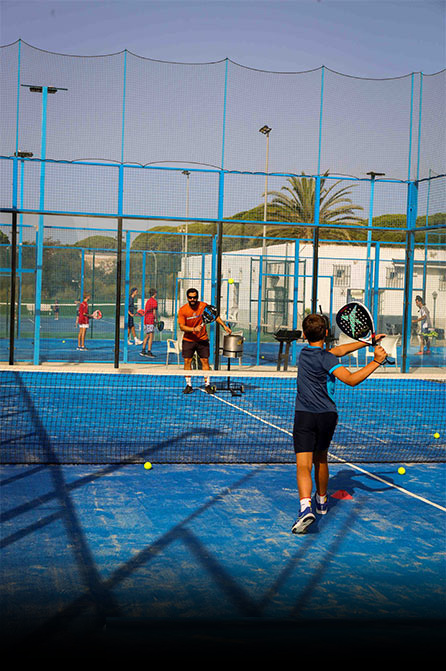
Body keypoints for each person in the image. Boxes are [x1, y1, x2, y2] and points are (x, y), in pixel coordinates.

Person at [291, 312, 387, 534]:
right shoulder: (328, 358)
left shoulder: (303, 354)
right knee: (321, 458)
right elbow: (351, 379)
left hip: (304, 415)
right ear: (326, 333)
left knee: (303, 465)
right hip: (327, 416)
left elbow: (339, 352)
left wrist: (367, 341)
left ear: (304, 335)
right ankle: (322, 501)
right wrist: (376, 361)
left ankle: (306, 508)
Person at [178, 288, 232, 394]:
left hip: (202, 339)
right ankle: (189, 385)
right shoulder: (183, 310)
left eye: (194, 297)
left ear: (197, 297)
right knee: (187, 361)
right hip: (188, 340)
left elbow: (214, 316)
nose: (192, 299)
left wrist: (224, 326)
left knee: (205, 361)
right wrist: (194, 329)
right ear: (187, 298)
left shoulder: (203, 306)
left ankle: (207, 385)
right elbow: (182, 327)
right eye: (190, 297)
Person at [140, 288, 158, 358]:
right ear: (155, 293)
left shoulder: (148, 301)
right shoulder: (154, 301)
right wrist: (156, 320)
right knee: (151, 336)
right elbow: (154, 312)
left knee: (147, 335)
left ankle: (143, 350)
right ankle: (149, 351)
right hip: (150, 320)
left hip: (146, 320)